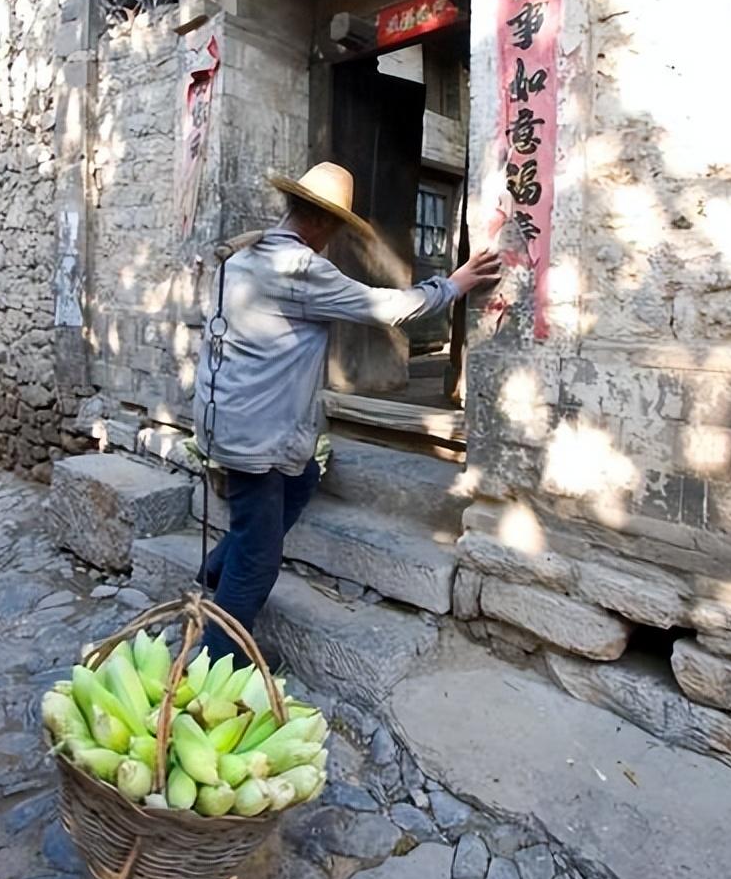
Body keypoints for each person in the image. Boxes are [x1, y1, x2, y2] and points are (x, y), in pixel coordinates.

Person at [194, 162, 501, 663]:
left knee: (304, 476)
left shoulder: (244, 255)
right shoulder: (300, 269)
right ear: (321, 222)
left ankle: (216, 571)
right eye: (335, 228)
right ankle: (213, 661)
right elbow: (389, 308)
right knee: (259, 556)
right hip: (256, 437)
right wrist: (454, 284)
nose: (331, 239)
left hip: (222, 420)